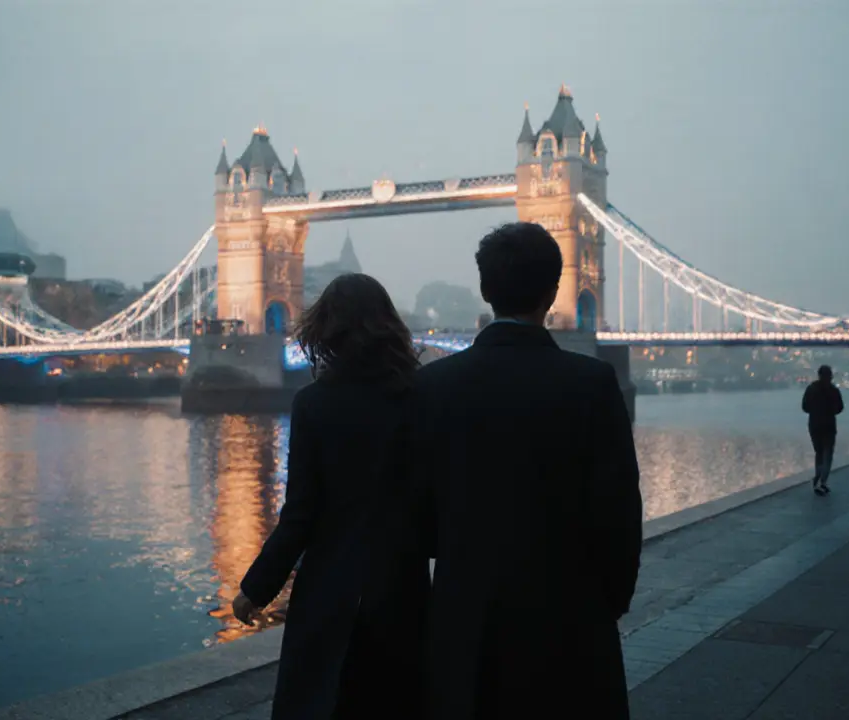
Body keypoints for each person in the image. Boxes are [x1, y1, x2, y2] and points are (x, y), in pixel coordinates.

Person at [413, 222, 642, 720]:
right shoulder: (593, 385)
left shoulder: (432, 387)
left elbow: (416, 515)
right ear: (554, 290)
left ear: (484, 289)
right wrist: (610, 603)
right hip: (571, 622)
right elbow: (619, 512)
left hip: (466, 623)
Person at [231, 273, 428, 720]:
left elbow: (300, 515)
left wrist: (255, 589)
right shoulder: (420, 398)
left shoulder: (315, 404)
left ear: (327, 330)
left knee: (322, 698)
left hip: (329, 587)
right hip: (402, 585)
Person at [801, 365, 844, 495]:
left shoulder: (811, 389)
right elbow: (840, 408)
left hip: (814, 424)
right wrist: (830, 411)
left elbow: (805, 407)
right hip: (829, 425)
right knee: (828, 453)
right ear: (830, 376)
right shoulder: (834, 390)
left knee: (818, 453)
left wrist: (815, 411)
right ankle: (822, 481)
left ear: (818, 375)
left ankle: (817, 478)